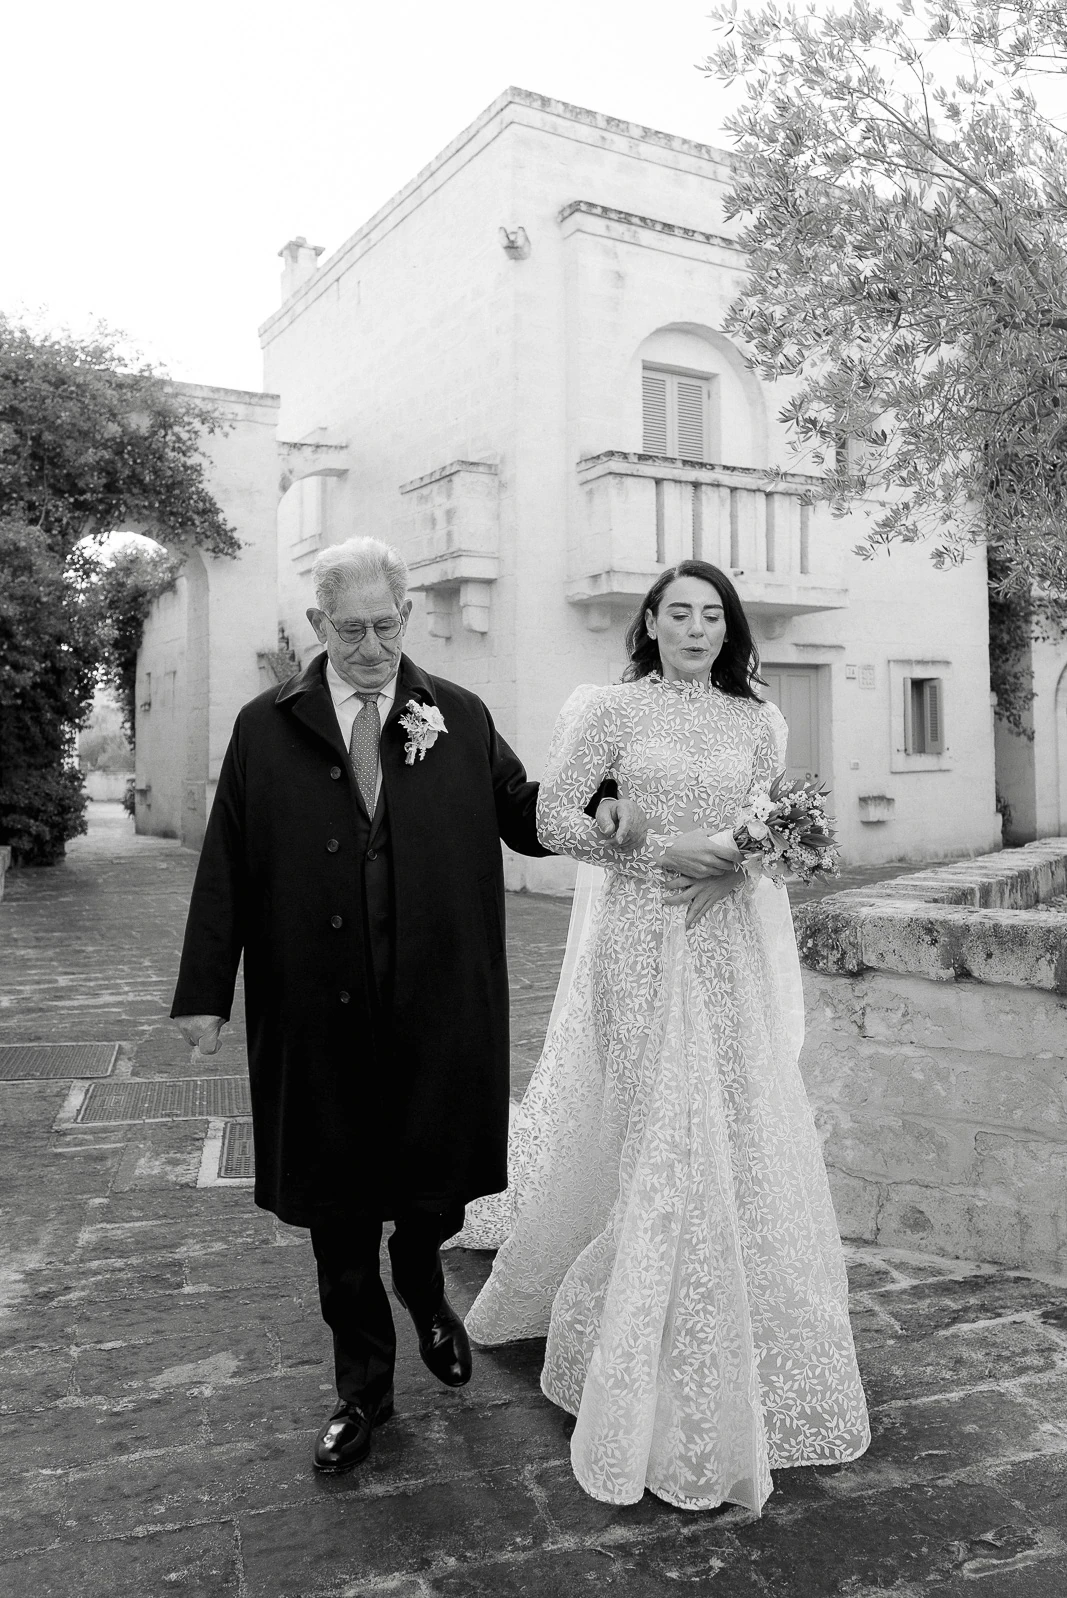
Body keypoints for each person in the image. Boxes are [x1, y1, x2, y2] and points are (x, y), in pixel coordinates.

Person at [171, 536, 640, 1474]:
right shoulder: (266, 726)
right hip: (315, 1004)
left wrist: (606, 795)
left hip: (435, 1003)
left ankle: (424, 1285)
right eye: (351, 630)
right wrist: (203, 995)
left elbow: (522, 810)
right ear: (318, 626)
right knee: (337, 1210)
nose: (372, 647)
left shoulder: (455, 716)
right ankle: (362, 1392)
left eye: (387, 626)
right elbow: (226, 860)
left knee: (429, 1189)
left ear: (407, 618)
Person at [465, 558, 871, 1513]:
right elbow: (555, 817)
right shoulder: (612, 710)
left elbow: (769, 837)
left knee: (725, 1120)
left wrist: (733, 871)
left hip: (722, 941)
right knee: (663, 1125)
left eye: (711, 616)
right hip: (639, 942)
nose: (695, 628)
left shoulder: (759, 721)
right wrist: (653, 848)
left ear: (730, 630)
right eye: (677, 613)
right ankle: (640, 1333)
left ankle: (730, 1320)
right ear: (649, 623)